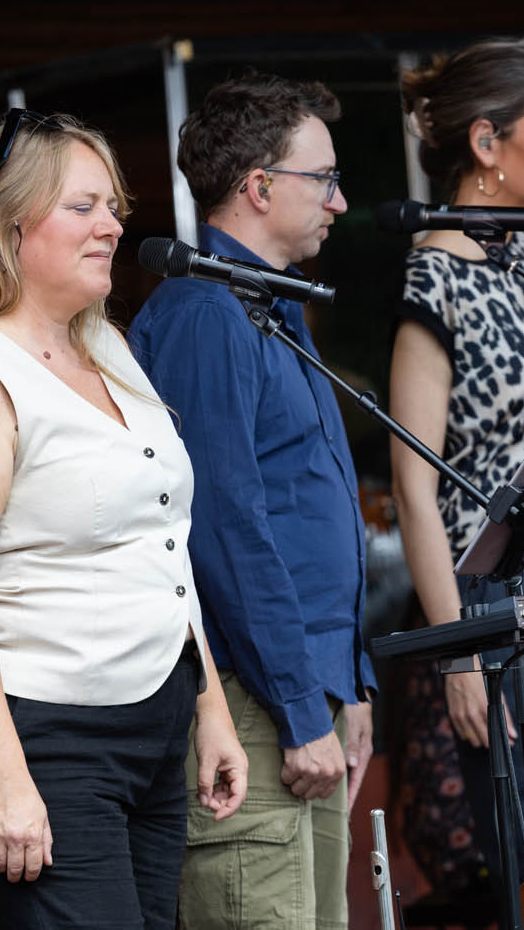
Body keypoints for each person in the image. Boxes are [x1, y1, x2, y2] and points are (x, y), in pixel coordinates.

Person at [0, 109, 247, 929]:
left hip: (152, 728)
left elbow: (160, 544)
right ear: (0, 225)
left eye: (113, 206)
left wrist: (208, 709)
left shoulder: (109, 350)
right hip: (38, 737)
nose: (112, 226)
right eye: (82, 207)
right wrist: (7, 778)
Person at [128, 74, 375, 930]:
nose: (340, 202)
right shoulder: (205, 311)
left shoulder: (271, 305)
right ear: (259, 187)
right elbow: (224, 529)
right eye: (325, 178)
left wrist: (352, 686)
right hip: (251, 698)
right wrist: (305, 708)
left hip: (303, 691)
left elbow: (310, 508)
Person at [388, 35, 524, 882]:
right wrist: (456, 652)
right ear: (487, 144)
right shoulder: (434, 277)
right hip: (494, 598)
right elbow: (414, 484)